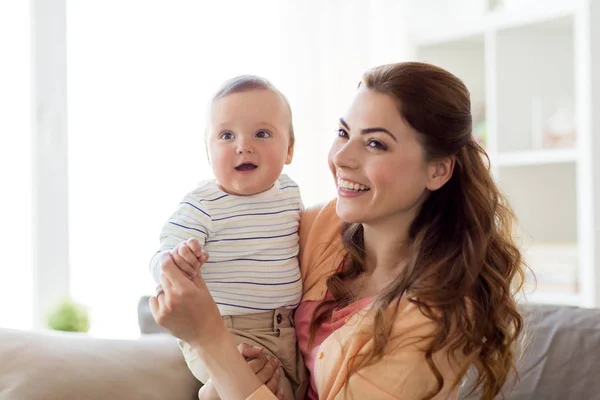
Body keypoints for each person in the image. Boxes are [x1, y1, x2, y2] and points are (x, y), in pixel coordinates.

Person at [150, 61, 525, 400]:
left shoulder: (433, 319)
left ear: (438, 170)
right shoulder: (321, 229)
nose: (342, 158)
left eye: (375, 143)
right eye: (343, 133)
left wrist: (211, 342)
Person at [149, 75, 306, 400]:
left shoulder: (290, 194)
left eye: (262, 133)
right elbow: (161, 256)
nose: (243, 145)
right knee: (262, 388)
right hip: (226, 328)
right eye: (226, 135)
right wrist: (175, 261)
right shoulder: (203, 205)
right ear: (207, 152)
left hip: (286, 328)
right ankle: (212, 393)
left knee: (289, 392)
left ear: (289, 149)